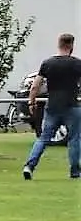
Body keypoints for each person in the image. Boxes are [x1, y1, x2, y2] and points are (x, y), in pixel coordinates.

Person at [24, 32, 81, 180]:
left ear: (59, 44)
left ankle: (29, 166)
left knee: (43, 138)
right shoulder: (77, 64)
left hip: (53, 106)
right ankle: (74, 170)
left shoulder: (48, 63)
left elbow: (35, 86)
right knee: (74, 139)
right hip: (72, 105)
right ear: (71, 46)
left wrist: (32, 101)